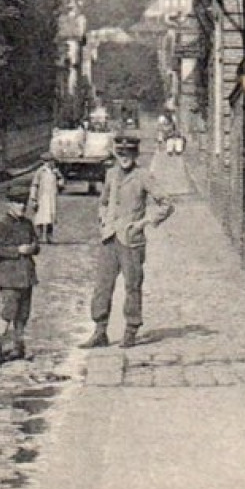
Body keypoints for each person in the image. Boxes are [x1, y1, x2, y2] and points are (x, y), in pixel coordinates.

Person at [81, 134, 174, 350]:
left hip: (131, 242)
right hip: (109, 239)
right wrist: (103, 219)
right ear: (116, 154)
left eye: (129, 153)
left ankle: (131, 329)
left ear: (135, 154)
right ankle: (100, 331)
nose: (124, 157)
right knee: (102, 286)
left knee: (133, 286)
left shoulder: (143, 176)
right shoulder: (111, 174)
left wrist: (144, 222)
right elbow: (103, 202)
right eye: (120, 153)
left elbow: (166, 203)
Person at [0, 187, 41, 361]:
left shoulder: (27, 224)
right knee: (9, 310)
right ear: (9, 204)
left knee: (23, 313)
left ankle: (18, 346)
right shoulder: (1, 225)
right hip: (9, 277)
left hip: (26, 275)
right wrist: (17, 250)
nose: (21, 207)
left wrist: (33, 248)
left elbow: (36, 244)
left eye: (23, 203)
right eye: (17, 203)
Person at [28, 157, 61, 244]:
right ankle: (38, 237)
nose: (50, 163)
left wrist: (59, 179)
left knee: (50, 217)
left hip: (51, 198)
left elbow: (61, 182)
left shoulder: (54, 172)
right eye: (48, 161)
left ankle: (49, 237)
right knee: (41, 217)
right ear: (44, 162)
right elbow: (34, 185)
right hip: (42, 198)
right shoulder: (40, 172)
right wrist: (33, 198)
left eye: (51, 161)